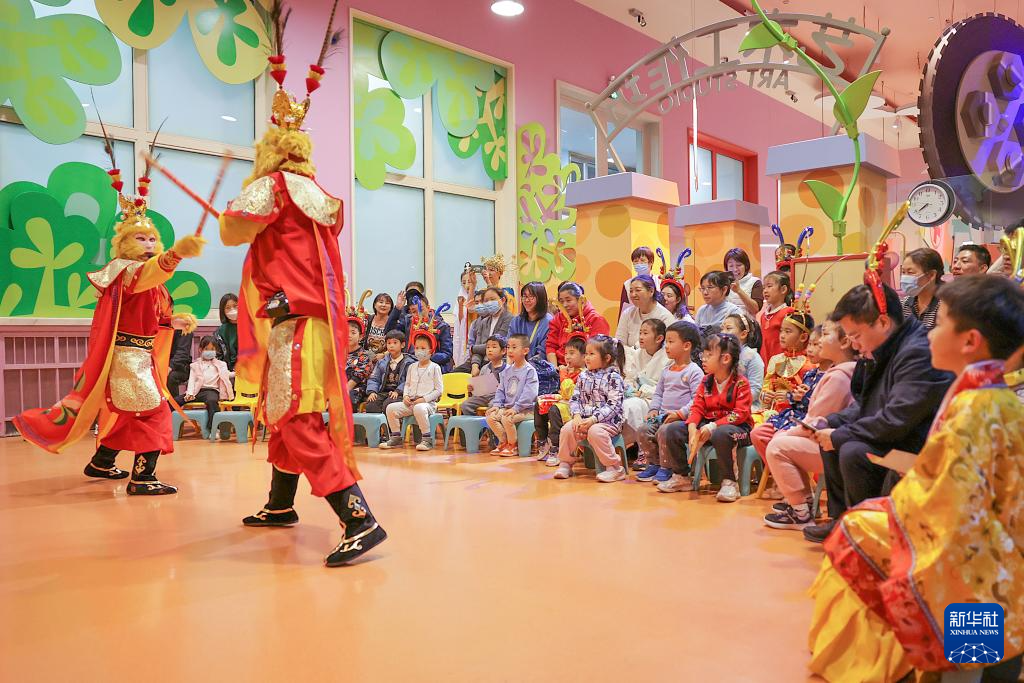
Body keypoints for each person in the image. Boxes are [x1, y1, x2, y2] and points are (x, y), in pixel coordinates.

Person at [218, 28, 387, 567]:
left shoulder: (273, 187)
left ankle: (358, 518)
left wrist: (235, 205)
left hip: (295, 322)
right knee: (282, 413)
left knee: (295, 417)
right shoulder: (316, 194)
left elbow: (232, 228)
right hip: (308, 322)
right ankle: (280, 503)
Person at [807, 275, 1024, 683]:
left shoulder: (977, 408)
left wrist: (895, 508)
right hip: (982, 536)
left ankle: (941, 663)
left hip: (973, 551)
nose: (930, 334)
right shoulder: (987, 395)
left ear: (970, 341)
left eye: (939, 324)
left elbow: (955, 505)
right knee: (858, 523)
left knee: (855, 532)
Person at [13, 151, 203, 494]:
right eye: (140, 239)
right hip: (127, 359)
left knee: (132, 413)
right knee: (154, 413)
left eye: (152, 239)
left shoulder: (147, 280)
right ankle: (143, 479)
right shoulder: (126, 270)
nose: (148, 244)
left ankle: (101, 462)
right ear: (124, 244)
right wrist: (176, 254)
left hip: (139, 357)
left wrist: (174, 320)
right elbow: (150, 273)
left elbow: (152, 315)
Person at [802, 283, 954, 544]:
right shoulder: (884, 346)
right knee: (832, 437)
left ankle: (870, 532)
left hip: (917, 445)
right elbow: (867, 404)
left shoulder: (917, 351)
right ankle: (843, 520)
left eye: (856, 335)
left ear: (883, 322)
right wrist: (830, 422)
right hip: (898, 435)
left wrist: (839, 434)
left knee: (852, 449)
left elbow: (897, 419)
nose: (853, 343)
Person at [761, 319, 857, 529]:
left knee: (777, 446)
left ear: (844, 342)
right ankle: (802, 502)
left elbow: (817, 420)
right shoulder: (830, 371)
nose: (819, 341)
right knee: (772, 436)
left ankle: (800, 512)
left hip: (831, 443)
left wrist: (790, 431)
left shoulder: (839, 376)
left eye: (825, 335)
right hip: (817, 431)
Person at [679, 333, 754, 502]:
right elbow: (697, 406)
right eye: (703, 355)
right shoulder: (706, 381)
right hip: (709, 427)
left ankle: (729, 482)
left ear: (725, 358)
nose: (703, 359)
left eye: (709, 355)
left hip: (739, 430)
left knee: (721, 434)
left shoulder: (741, 383)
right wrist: (692, 427)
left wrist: (713, 426)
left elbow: (740, 414)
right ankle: (681, 476)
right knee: (673, 430)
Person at [635, 321, 704, 488]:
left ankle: (668, 467)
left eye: (671, 342)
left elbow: (697, 399)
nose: (666, 346)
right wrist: (653, 409)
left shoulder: (694, 371)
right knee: (643, 429)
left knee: (665, 431)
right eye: (666, 341)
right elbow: (658, 393)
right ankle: (655, 463)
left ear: (686, 345)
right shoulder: (667, 370)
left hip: (683, 419)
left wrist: (680, 413)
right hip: (663, 416)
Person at [553, 335, 628, 483]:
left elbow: (613, 406)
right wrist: (576, 416)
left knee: (595, 431)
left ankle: (614, 468)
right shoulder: (583, 375)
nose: (586, 357)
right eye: (586, 354)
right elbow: (575, 399)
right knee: (567, 429)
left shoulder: (614, 377)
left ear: (606, 358)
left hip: (609, 422)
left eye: (591, 354)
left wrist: (593, 419)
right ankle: (565, 463)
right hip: (585, 419)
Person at [381, 332, 443, 451]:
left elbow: (439, 390)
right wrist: (405, 396)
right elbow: (407, 384)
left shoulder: (435, 367)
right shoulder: (412, 366)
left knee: (419, 408)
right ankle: (396, 436)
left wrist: (424, 399)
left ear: (431, 351)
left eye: (423, 348)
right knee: (391, 408)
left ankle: (427, 439)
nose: (419, 351)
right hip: (411, 402)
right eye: (417, 348)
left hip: (427, 404)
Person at [621, 319, 671, 459]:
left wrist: (643, 391)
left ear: (659, 338)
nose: (641, 337)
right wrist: (630, 389)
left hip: (654, 399)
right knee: (622, 404)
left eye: (645, 333)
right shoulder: (637, 354)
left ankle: (643, 449)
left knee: (633, 406)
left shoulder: (668, 357)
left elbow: (665, 388)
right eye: (640, 333)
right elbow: (630, 377)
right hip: (636, 394)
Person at [485, 334, 540, 456]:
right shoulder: (506, 371)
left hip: (526, 410)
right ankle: (503, 442)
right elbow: (500, 390)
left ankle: (513, 445)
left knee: (507, 418)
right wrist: (497, 405)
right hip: (509, 408)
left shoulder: (530, 371)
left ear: (525, 351)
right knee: (490, 416)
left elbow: (530, 393)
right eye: (508, 347)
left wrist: (516, 408)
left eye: (514, 347)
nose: (510, 350)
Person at [535, 335, 586, 464]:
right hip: (564, 400)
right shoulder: (569, 370)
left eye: (572, 353)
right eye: (566, 353)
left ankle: (556, 447)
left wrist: (563, 374)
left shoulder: (584, 373)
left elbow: (569, 392)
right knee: (539, 403)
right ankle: (543, 441)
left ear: (584, 356)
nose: (567, 357)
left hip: (577, 406)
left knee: (554, 410)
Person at [760, 311, 814, 415]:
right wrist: (765, 395)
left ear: (803, 337)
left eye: (788, 331)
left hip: (796, 414)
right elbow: (766, 387)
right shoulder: (776, 360)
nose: (782, 335)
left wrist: (790, 396)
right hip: (773, 411)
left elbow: (809, 397)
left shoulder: (810, 365)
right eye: (781, 331)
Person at [546, 282, 610, 366]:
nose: (565, 305)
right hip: (560, 367)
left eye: (568, 300)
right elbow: (551, 346)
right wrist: (555, 369)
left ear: (580, 300)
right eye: (561, 301)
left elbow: (598, 352)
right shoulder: (558, 319)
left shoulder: (596, 319)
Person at [181, 335, 235, 433]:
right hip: (197, 392)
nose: (209, 351)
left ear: (216, 351)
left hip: (212, 391)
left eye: (212, 349)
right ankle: (166, 425)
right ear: (200, 349)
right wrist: (189, 393)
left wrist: (238, 373)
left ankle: (214, 428)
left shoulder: (221, 364)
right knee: (175, 400)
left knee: (212, 401)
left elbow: (227, 374)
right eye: (206, 349)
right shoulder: (195, 365)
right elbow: (192, 380)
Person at [456, 287, 513, 375]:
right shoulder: (484, 322)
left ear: (503, 300)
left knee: (481, 381)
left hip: (497, 362)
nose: (489, 303)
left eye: (492, 299)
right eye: (486, 301)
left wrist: (473, 348)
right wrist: (475, 366)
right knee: (454, 375)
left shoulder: (509, 319)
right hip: (479, 361)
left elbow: (496, 346)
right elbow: (477, 348)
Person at [615, 275, 676, 348]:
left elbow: (667, 348)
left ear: (651, 291)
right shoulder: (627, 313)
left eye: (638, 290)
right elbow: (619, 344)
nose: (633, 294)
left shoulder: (665, 317)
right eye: (631, 291)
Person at [364, 330, 415, 415]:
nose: (391, 346)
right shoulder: (382, 362)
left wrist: (398, 391)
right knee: (372, 404)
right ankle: (379, 424)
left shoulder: (409, 363)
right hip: (383, 392)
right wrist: (372, 391)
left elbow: (409, 381)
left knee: (388, 405)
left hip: (400, 394)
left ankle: (391, 424)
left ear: (402, 345)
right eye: (389, 343)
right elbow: (374, 379)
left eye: (395, 343)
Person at [721, 313, 764, 409]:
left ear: (743, 334)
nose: (723, 332)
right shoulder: (721, 354)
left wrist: (734, 401)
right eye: (722, 328)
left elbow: (755, 389)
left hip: (746, 407)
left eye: (728, 328)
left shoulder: (752, 357)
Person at [458, 335, 507, 417]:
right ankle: (476, 423)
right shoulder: (484, 368)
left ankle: (490, 424)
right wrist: (472, 388)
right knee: (466, 405)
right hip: (483, 396)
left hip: (498, 397)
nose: (490, 350)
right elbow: (479, 387)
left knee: (493, 406)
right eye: (488, 347)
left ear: (503, 351)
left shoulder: (507, 369)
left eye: (494, 347)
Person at [899, 247, 943, 330]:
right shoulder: (904, 304)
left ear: (931, 275)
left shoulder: (945, 306)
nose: (905, 277)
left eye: (910, 272)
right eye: (903, 272)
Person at [757, 271, 794, 366]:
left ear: (783, 289)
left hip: (781, 363)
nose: (765, 291)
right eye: (764, 287)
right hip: (765, 361)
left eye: (769, 286)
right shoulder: (763, 315)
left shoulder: (788, 312)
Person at [509, 281, 551, 360]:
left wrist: (525, 366)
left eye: (531, 297)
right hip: (515, 363)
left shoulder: (549, 322)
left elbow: (542, 353)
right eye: (524, 296)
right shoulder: (516, 321)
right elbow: (509, 346)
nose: (527, 300)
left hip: (537, 365)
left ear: (540, 298)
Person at [694, 271, 742, 336]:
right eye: (703, 288)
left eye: (710, 287)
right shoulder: (702, 310)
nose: (705, 293)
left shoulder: (734, 311)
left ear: (724, 289)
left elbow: (736, 338)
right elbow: (696, 336)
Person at [345, 316, 374, 410]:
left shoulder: (364, 356)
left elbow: (356, 378)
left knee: (345, 400)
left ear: (361, 337)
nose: (349, 335)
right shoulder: (337, 354)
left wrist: (341, 392)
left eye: (353, 332)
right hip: (338, 388)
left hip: (355, 389)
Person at [619, 246, 661, 312]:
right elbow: (623, 309)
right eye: (635, 261)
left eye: (642, 260)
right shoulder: (627, 284)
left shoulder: (659, 280)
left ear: (651, 262)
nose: (639, 263)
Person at [724, 247, 764, 315]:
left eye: (739, 265)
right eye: (731, 266)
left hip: (747, 321)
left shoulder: (755, 282)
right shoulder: (723, 283)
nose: (735, 269)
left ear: (746, 266)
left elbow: (755, 309)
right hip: (727, 321)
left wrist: (739, 290)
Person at [454, 265, 479, 367]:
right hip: (463, 331)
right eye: (464, 282)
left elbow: (472, 309)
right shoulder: (460, 297)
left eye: (469, 281)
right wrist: (460, 305)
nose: (466, 285)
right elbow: (459, 320)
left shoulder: (479, 296)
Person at [363, 293, 396, 360]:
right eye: (381, 302)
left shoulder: (394, 323)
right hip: (365, 358)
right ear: (375, 305)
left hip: (386, 359)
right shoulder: (367, 320)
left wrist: (384, 355)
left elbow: (397, 345)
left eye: (387, 303)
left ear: (391, 307)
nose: (383, 305)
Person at [214, 293, 239, 372]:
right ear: (223, 311)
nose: (232, 309)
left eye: (235, 306)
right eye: (228, 308)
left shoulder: (248, 326)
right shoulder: (220, 331)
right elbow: (219, 355)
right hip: (228, 369)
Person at [167, 325, 194, 395]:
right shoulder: (160, 325)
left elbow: (182, 353)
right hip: (160, 363)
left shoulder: (186, 327)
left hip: (180, 367)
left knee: (171, 377)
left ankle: (173, 402)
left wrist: (170, 366)